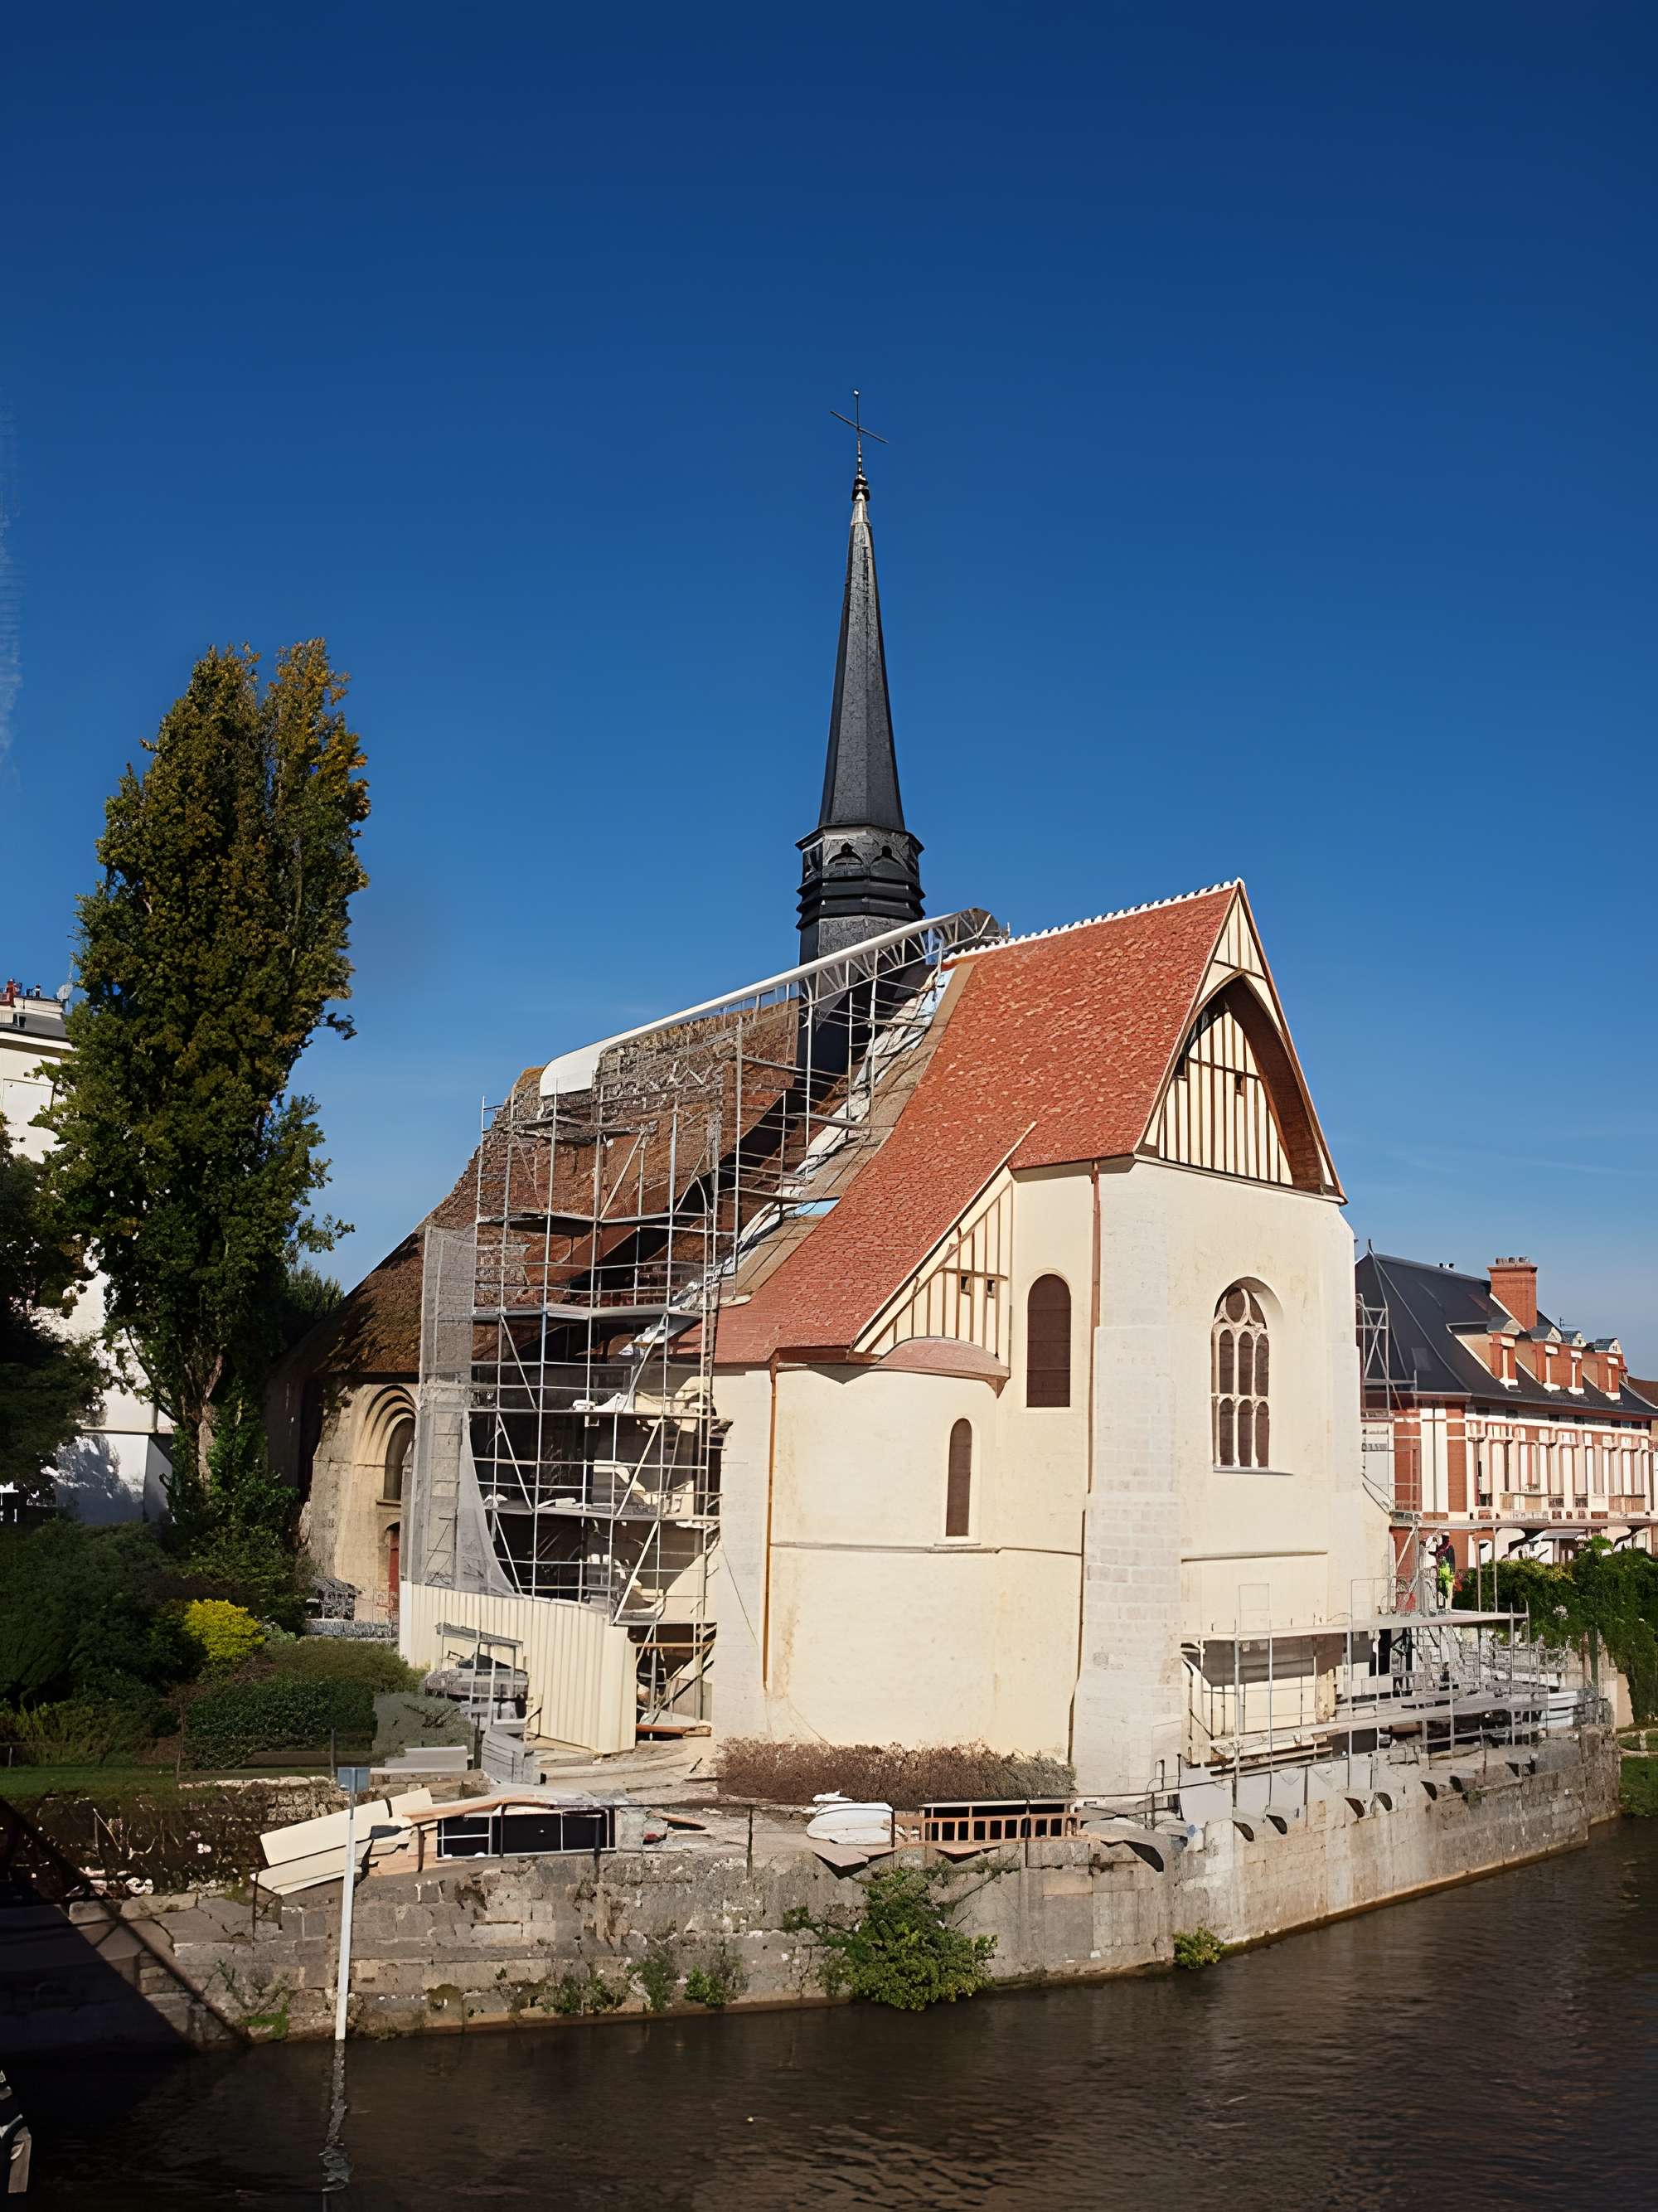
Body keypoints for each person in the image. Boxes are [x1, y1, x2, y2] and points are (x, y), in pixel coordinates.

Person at [1434, 1536, 1457, 1611]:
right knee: (1442, 1589)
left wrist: (1452, 1572)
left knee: (1447, 1590)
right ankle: (1442, 1606)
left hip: (1447, 1572)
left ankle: (1446, 1607)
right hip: (1443, 1572)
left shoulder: (1449, 1548)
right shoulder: (1441, 1548)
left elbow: (1452, 1561)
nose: (1447, 1541)